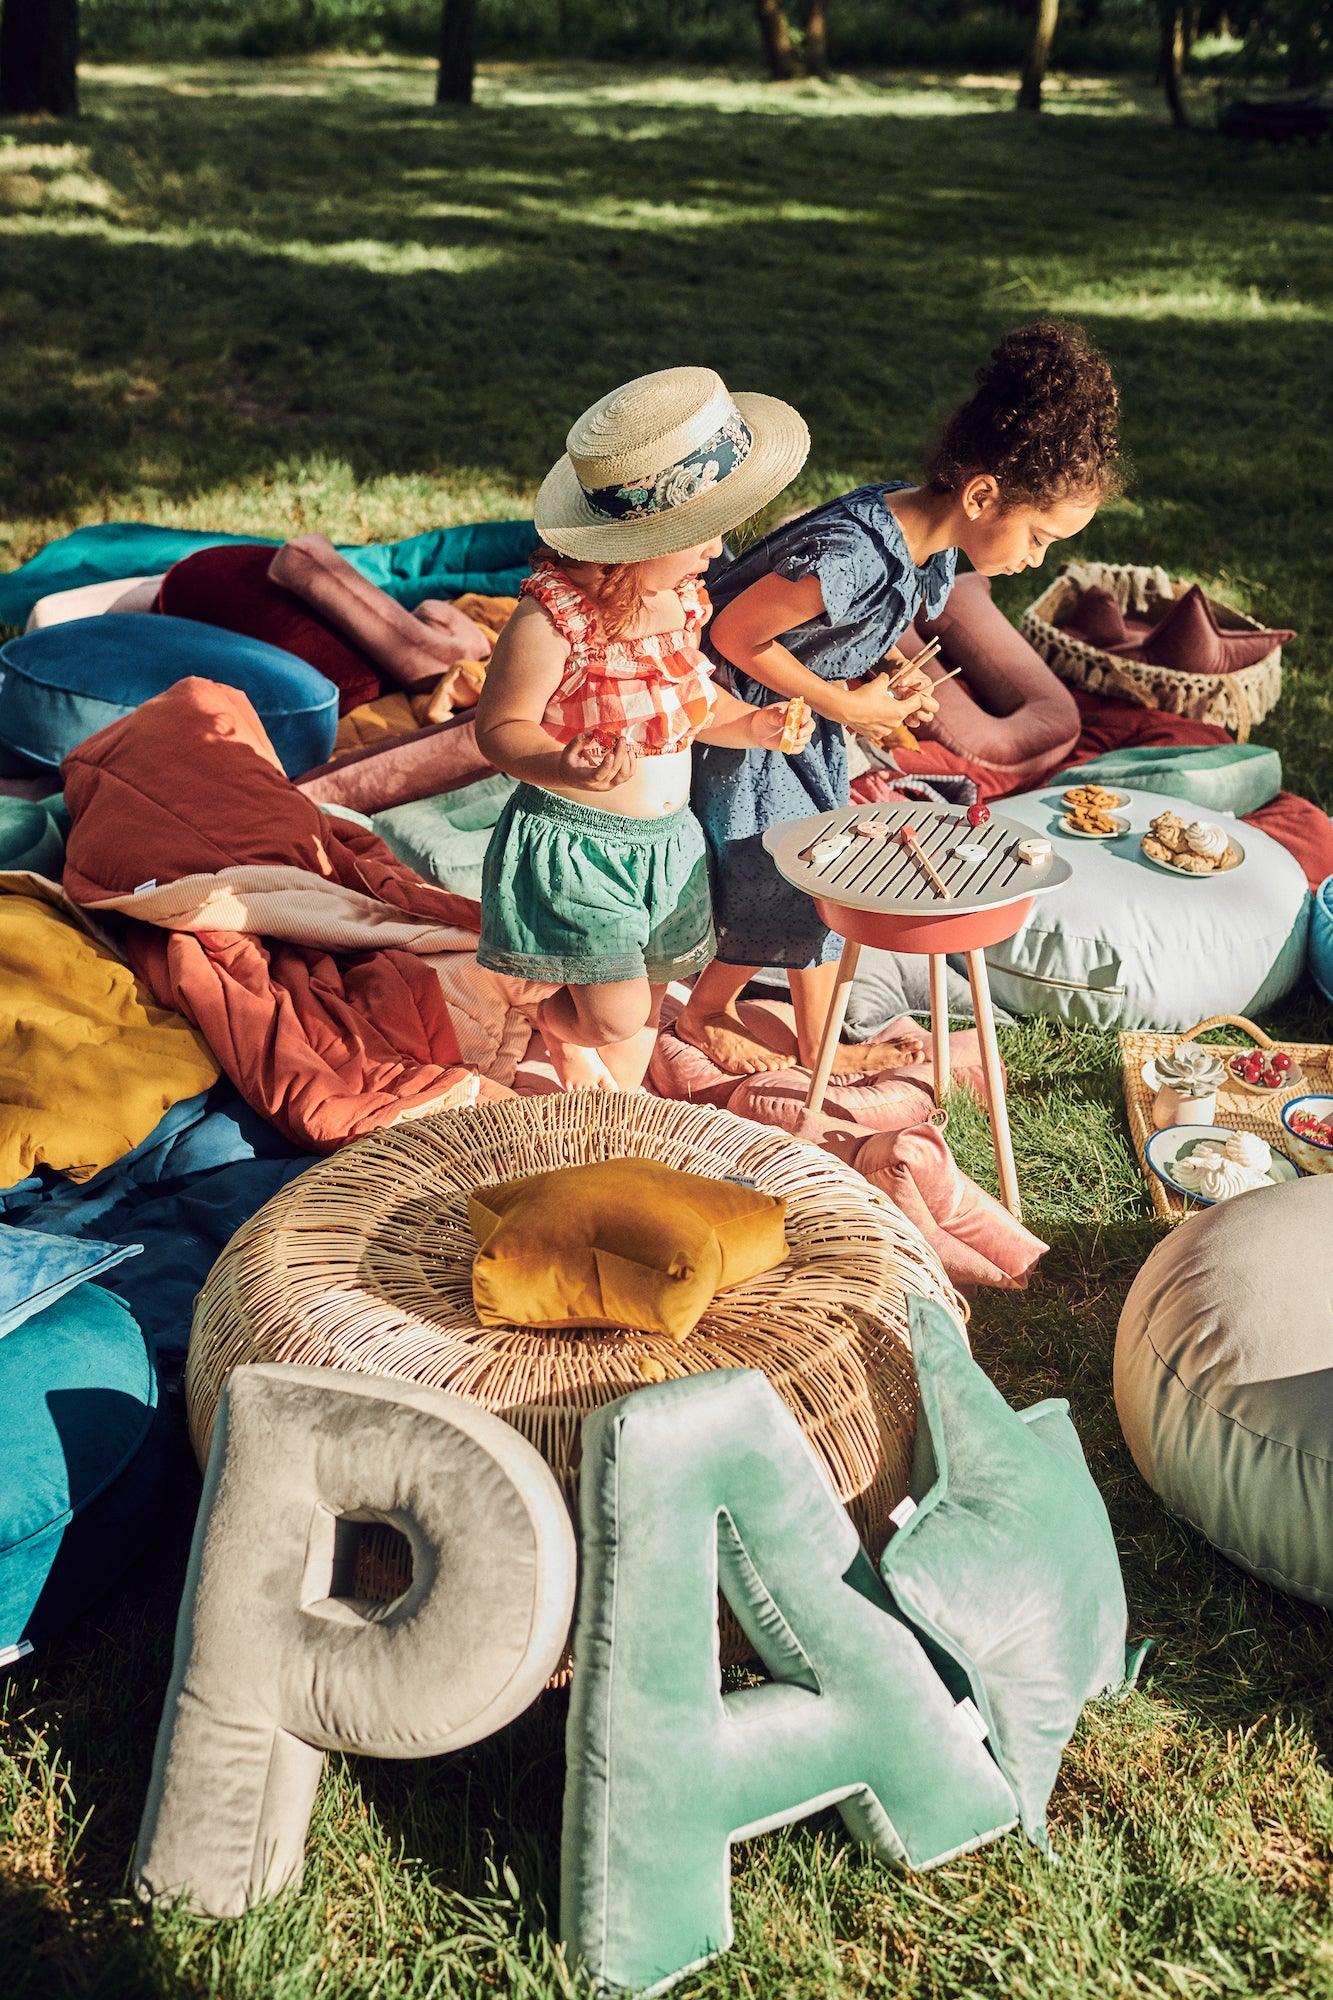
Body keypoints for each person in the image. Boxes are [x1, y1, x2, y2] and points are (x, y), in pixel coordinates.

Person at [677, 320, 1124, 1076]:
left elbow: (846, 627)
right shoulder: (856, 551)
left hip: (791, 718)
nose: (1035, 558)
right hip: (731, 719)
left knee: (810, 871)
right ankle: (725, 1016)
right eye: (1040, 537)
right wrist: (849, 708)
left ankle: (789, 1035)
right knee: (790, 873)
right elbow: (732, 636)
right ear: (984, 495)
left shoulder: (922, 538)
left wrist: (885, 672)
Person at [474, 365, 813, 1090]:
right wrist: (565, 764)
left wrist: (752, 724)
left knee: (648, 1007)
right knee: (614, 1015)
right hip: (578, 846)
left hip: (668, 847)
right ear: (638, 540)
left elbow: (689, 707)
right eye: (702, 535)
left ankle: (616, 1120)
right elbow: (498, 729)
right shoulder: (553, 618)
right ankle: (557, 1025)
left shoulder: (683, 601)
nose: (716, 553)